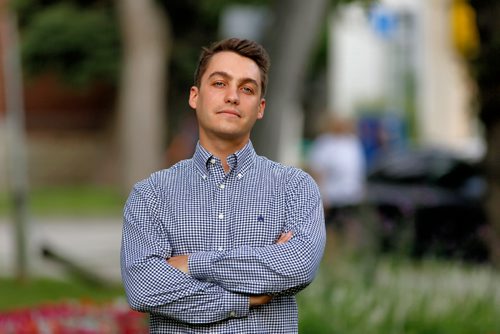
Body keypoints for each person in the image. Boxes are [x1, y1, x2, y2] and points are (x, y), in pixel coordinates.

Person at [120, 38, 326, 333]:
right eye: (219, 83)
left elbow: (298, 265)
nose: (233, 97)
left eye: (247, 89)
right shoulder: (151, 194)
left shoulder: (295, 188)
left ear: (260, 108)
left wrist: (191, 264)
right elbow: (143, 285)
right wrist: (244, 299)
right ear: (195, 96)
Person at [308, 115, 366, 229]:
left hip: (351, 196)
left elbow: (358, 169)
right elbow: (317, 171)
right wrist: (322, 196)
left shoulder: (352, 142)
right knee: (330, 229)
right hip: (332, 197)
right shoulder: (324, 142)